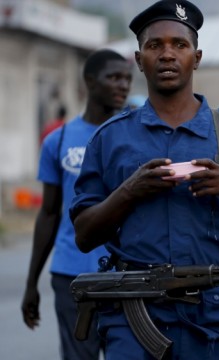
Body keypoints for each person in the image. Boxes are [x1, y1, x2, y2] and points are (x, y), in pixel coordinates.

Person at [69, 1, 219, 359]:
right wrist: (129, 191)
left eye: (179, 45)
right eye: (155, 46)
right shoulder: (110, 140)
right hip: (135, 319)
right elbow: (85, 235)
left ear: (196, 57)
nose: (167, 54)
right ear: (139, 60)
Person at [21, 49, 132, 359]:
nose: (123, 85)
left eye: (127, 79)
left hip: (127, 275)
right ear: (89, 82)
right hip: (72, 277)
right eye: (114, 77)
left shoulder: (137, 137)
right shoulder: (59, 141)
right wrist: (32, 283)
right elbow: (48, 213)